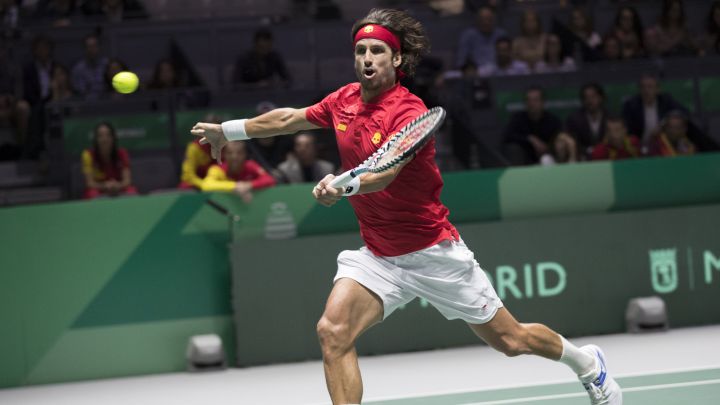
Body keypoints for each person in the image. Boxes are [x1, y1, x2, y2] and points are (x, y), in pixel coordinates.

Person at [192, 8, 622, 405]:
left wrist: (341, 188)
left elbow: (385, 174)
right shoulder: (343, 100)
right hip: (379, 254)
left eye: (377, 50)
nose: (367, 58)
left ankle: (586, 363)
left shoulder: (409, 112)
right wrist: (228, 131)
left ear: (396, 60)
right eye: (360, 50)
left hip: (433, 251)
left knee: (511, 341)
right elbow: (288, 119)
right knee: (333, 332)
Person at [621, 74, 688, 147]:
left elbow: (684, 112)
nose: (646, 90)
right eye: (643, 87)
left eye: (650, 87)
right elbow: (627, 128)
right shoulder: (631, 105)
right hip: (638, 146)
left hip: (663, 145)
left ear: (658, 89)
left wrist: (662, 124)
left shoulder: (665, 100)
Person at [200, 141, 276, 203]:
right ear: (224, 155)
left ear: (245, 154)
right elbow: (206, 185)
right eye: (230, 153)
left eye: (239, 153)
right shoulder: (217, 169)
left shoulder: (251, 165)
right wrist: (235, 187)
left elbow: (269, 179)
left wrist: (249, 185)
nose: (234, 157)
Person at [502, 87, 562, 165]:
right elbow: (508, 136)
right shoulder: (518, 119)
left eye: (535, 100)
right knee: (513, 148)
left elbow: (559, 137)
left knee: (548, 157)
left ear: (543, 102)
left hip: (549, 156)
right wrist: (530, 139)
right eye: (528, 100)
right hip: (525, 157)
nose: (531, 103)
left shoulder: (553, 120)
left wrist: (548, 147)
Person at [81, 122, 138, 199]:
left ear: (113, 138)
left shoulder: (122, 153)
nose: (104, 139)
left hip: (118, 188)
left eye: (108, 135)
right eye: (100, 136)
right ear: (96, 139)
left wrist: (117, 185)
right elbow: (89, 183)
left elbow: (127, 181)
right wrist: (105, 186)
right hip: (99, 189)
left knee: (132, 191)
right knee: (91, 193)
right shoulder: (87, 155)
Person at [565, 83, 608, 158]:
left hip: (607, 156)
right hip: (582, 158)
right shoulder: (574, 119)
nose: (589, 100)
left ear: (601, 98)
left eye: (593, 96)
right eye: (586, 97)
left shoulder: (610, 117)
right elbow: (571, 141)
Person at [179, 113, 218, 190]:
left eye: (213, 129)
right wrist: (204, 185)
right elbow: (188, 176)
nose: (210, 132)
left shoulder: (225, 146)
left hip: (217, 183)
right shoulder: (194, 148)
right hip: (196, 186)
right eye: (207, 129)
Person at [71, 33, 108, 99]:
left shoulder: (107, 65)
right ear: (84, 49)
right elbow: (79, 91)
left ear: (99, 47)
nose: (91, 49)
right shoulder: (78, 69)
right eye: (88, 46)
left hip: (107, 101)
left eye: (94, 46)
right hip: (86, 103)